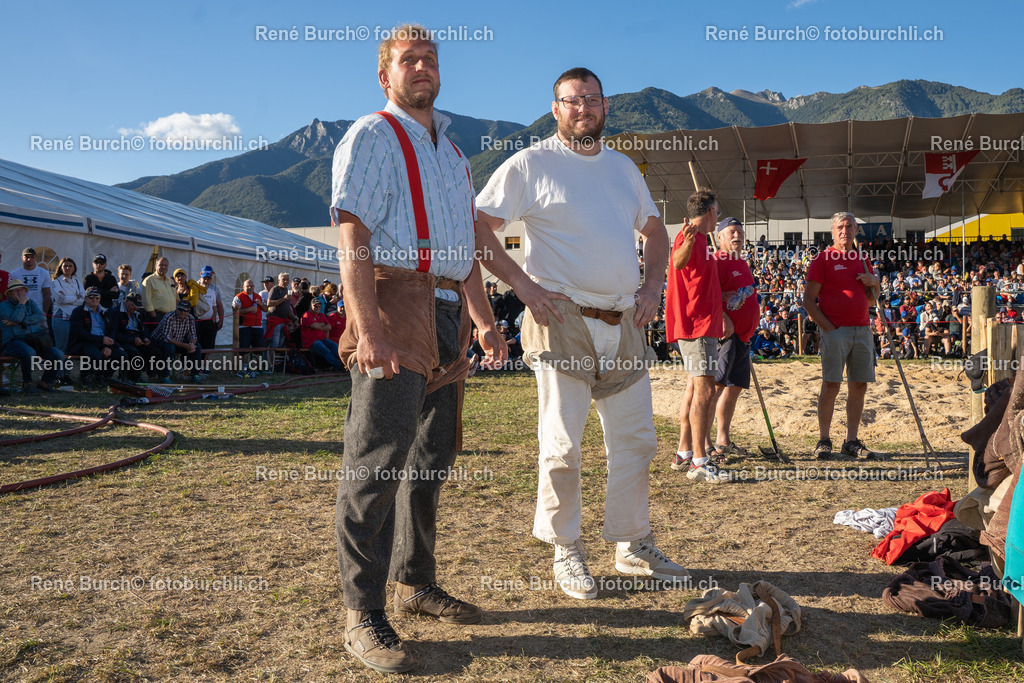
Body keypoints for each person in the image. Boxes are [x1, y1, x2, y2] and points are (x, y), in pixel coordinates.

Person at [330, 24, 505, 674]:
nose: (422, 67)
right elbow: (352, 233)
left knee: (432, 456)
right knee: (377, 460)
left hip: (448, 309)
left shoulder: (453, 155)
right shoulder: (371, 135)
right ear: (386, 76)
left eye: (430, 58)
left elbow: (465, 249)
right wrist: (368, 325)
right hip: (395, 301)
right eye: (408, 60)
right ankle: (362, 611)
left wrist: (483, 319)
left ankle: (414, 580)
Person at [475, 66, 684, 601]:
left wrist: (652, 287)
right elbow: (477, 228)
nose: (583, 108)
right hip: (560, 318)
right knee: (563, 446)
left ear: (605, 106)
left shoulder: (622, 168)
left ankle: (632, 543)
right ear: (556, 109)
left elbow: (656, 231)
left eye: (592, 99)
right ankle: (565, 547)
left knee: (636, 440)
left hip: (624, 319)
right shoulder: (530, 163)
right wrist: (524, 286)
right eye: (573, 100)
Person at [804, 212, 881, 459]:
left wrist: (875, 283)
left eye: (849, 226)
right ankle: (824, 439)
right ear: (832, 231)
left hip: (862, 328)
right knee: (831, 384)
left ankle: (851, 441)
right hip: (835, 331)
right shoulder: (823, 259)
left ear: (856, 230)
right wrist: (828, 328)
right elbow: (808, 301)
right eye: (840, 227)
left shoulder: (862, 259)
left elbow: (872, 299)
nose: (844, 231)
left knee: (859, 384)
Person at [665, 191, 726, 483]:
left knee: (696, 388)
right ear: (711, 211)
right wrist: (688, 242)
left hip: (702, 325)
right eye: (717, 212)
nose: (718, 217)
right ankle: (699, 461)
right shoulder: (688, 236)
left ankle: (685, 453)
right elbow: (677, 262)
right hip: (696, 326)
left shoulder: (701, 239)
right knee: (705, 391)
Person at [706, 217, 759, 460]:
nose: (737, 235)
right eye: (731, 232)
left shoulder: (741, 262)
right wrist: (723, 316)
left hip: (743, 337)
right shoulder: (717, 261)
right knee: (716, 386)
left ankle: (723, 439)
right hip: (727, 335)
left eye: (740, 232)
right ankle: (705, 443)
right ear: (719, 237)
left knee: (734, 386)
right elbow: (708, 294)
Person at [0, 279, 64, 394]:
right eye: (16, 291)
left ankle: (44, 383)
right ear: (9, 293)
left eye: (21, 290)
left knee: (58, 354)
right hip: (13, 341)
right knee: (29, 352)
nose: (19, 293)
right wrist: (21, 304)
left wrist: (22, 321)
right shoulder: (3, 305)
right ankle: (27, 384)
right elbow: (16, 318)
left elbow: (40, 317)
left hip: (35, 339)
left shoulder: (31, 302)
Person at [69, 287, 126, 387]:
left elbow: (111, 330)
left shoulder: (105, 312)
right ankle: (85, 377)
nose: (94, 299)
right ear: (85, 298)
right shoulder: (78, 311)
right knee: (96, 355)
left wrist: (108, 345)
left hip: (103, 342)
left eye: (97, 297)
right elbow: (79, 333)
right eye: (91, 297)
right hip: (85, 342)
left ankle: (102, 376)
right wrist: (101, 340)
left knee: (121, 355)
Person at [109, 293, 168, 382]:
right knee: (134, 353)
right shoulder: (115, 313)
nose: (135, 308)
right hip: (123, 341)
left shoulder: (138, 313)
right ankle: (133, 378)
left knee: (155, 351)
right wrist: (132, 340)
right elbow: (115, 333)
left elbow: (144, 329)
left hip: (138, 339)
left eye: (137, 306)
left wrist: (145, 338)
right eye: (134, 305)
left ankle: (150, 376)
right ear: (127, 301)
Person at [151, 300, 204, 382]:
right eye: (180, 309)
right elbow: (168, 338)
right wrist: (186, 346)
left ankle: (195, 375)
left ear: (189, 311)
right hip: (158, 340)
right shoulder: (169, 317)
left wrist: (191, 345)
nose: (182, 312)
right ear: (176, 308)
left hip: (176, 341)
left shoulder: (190, 318)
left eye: (185, 310)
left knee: (197, 347)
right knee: (169, 348)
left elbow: (193, 336)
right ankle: (165, 377)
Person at [233, 278, 266, 377]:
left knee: (259, 348)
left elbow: (266, 309)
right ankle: (244, 368)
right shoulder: (238, 297)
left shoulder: (258, 297)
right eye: (247, 286)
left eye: (251, 286)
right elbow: (235, 310)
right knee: (244, 349)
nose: (250, 288)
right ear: (243, 287)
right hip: (245, 326)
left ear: (254, 287)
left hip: (257, 326)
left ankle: (258, 368)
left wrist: (260, 304)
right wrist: (249, 309)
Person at [51, 256, 85, 353]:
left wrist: (67, 298)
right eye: (65, 266)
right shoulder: (55, 282)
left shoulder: (78, 283)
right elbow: (60, 299)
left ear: (74, 268)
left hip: (75, 316)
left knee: (73, 346)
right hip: (60, 315)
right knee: (61, 347)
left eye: (70, 266)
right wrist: (76, 297)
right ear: (61, 268)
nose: (67, 268)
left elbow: (83, 299)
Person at [300, 297, 342, 371]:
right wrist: (322, 324)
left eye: (319, 305)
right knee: (325, 350)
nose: (318, 307)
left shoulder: (321, 315)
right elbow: (314, 326)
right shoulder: (306, 315)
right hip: (311, 341)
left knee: (335, 347)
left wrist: (318, 325)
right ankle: (339, 366)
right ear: (310, 306)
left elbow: (329, 327)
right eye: (315, 306)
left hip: (322, 339)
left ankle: (344, 364)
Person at [10, 247, 51, 315]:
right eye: (26, 257)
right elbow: (11, 295)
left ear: (36, 258)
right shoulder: (14, 274)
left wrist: (44, 313)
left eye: (32, 257)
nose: (29, 259)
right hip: (20, 311)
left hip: (38, 310)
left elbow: (47, 294)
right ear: (22, 258)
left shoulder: (44, 273)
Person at [142, 257, 175, 335]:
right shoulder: (149, 280)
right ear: (155, 266)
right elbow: (146, 301)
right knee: (159, 340)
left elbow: (175, 297)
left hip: (171, 317)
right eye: (161, 265)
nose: (163, 267)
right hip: (158, 316)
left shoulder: (170, 281)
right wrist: (154, 317)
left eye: (165, 265)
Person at [194, 266, 224, 353]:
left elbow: (218, 305)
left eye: (210, 275)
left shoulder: (214, 289)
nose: (207, 279)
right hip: (196, 321)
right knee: (196, 344)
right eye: (205, 276)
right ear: (201, 274)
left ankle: (205, 362)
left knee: (209, 345)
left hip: (209, 321)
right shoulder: (194, 286)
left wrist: (220, 320)